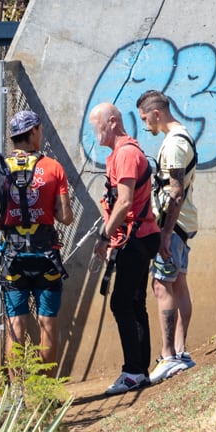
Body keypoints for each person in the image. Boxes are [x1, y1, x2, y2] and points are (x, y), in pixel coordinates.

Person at [0, 109, 74, 372]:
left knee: (16, 325)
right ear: (32, 132)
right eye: (40, 131)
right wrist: (47, 213)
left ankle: (17, 394)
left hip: (13, 257)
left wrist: (13, 223)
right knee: (48, 323)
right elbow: (66, 217)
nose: (41, 135)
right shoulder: (53, 168)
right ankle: (45, 391)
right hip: (47, 256)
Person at [87, 101, 161, 395]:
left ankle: (133, 370)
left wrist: (104, 236)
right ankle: (139, 370)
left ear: (113, 122)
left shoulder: (127, 154)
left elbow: (126, 201)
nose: (96, 132)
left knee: (121, 302)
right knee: (133, 301)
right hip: (137, 237)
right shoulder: (120, 154)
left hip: (137, 238)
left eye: (98, 126)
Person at [137, 90, 199, 383]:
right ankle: (181, 351)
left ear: (157, 113)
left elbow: (175, 192)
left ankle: (169, 355)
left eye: (145, 118)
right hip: (183, 224)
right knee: (179, 284)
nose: (145, 124)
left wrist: (164, 234)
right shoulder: (183, 136)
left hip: (172, 226)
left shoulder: (174, 144)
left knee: (162, 286)